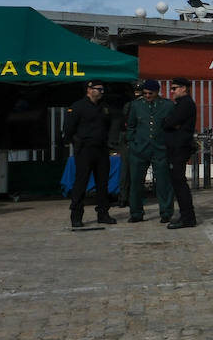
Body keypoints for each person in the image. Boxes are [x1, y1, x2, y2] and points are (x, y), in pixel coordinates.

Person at [63, 80, 118, 228]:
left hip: (101, 149)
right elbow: (68, 128)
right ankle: (76, 215)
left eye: (102, 89)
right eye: (98, 89)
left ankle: (103, 213)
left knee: (103, 183)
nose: (101, 92)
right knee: (81, 183)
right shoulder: (78, 107)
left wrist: (110, 142)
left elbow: (110, 124)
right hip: (85, 150)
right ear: (89, 89)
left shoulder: (104, 107)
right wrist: (77, 142)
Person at [125, 79, 175, 223]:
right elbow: (131, 126)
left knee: (163, 182)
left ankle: (166, 212)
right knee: (136, 182)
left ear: (157, 92)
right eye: (145, 93)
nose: (147, 95)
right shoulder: (136, 105)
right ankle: (136, 212)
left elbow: (172, 125)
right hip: (139, 149)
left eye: (150, 93)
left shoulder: (167, 105)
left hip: (160, 149)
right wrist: (131, 142)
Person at [162, 77, 198, 229]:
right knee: (177, 183)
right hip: (176, 147)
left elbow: (168, 122)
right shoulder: (181, 104)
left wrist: (168, 122)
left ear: (184, 88)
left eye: (175, 88)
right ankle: (186, 215)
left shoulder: (186, 104)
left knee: (179, 183)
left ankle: (188, 217)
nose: (172, 91)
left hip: (179, 148)